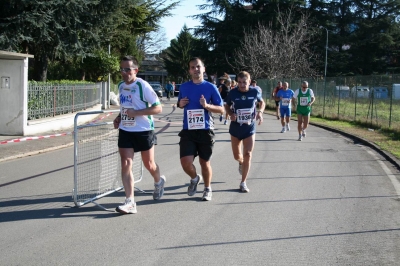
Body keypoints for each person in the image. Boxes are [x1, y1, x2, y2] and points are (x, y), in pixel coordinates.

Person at [113, 55, 166, 214]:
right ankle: (130, 202)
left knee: (149, 164)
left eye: (128, 69)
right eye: (122, 69)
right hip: (126, 130)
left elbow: (158, 108)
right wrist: (119, 117)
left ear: (136, 70)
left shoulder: (143, 86)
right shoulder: (121, 86)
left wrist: (137, 113)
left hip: (144, 130)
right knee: (126, 163)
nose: (124, 72)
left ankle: (158, 181)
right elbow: (125, 107)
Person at [177, 57, 224, 201]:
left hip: (205, 130)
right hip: (188, 130)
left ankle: (207, 188)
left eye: (198, 66)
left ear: (203, 68)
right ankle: (194, 178)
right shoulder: (184, 87)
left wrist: (207, 106)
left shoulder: (210, 87)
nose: (195, 69)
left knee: (205, 162)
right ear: (189, 70)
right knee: (186, 162)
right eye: (192, 67)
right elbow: (179, 103)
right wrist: (180, 104)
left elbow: (221, 109)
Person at [224, 71, 265, 193]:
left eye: (244, 82)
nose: (242, 85)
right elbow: (226, 105)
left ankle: (243, 182)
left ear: (249, 81)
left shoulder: (254, 91)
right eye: (240, 82)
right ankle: (241, 162)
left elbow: (262, 102)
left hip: (249, 127)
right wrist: (231, 114)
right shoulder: (233, 92)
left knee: (248, 154)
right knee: (237, 156)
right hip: (235, 128)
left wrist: (260, 112)